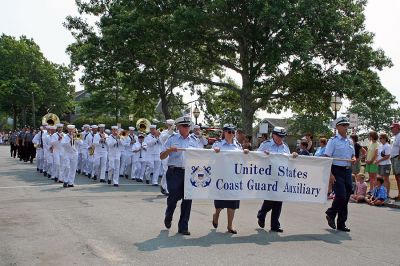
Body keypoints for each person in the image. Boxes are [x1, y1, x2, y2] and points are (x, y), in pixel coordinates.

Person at [160, 116, 199, 235]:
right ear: (178, 127)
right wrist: (169, 150)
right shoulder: (172, 139)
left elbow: (200, 156)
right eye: (184, 126)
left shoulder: (194, 140)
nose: (187, 128)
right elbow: (162, 156)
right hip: (174, 172)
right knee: (173, 197)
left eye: (188, 126)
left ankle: (183, 226)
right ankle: (169, 214)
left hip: (189, 173)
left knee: (187, 200)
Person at [257, 126, 297, 233]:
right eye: (279, 136)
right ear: (273, 135)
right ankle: (262, 214)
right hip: (269, 176)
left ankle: (275, 224)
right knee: (270, 198)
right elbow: (256, 157)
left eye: (282, 136)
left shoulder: (285, 147)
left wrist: (293, 156)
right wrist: (263, 156)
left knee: (279, 200)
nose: (280, 138)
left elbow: (288, 160)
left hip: (281, 176)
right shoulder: (266, 145)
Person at [212, 124, 249, 234]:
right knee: (220, 203)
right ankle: (216, 214)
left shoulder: (237, 145)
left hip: (234, 177)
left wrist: (245, 153)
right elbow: (209, 157)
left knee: (233, 203)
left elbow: (242, 159)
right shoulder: (217, 144)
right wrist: (215, 152)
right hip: (221, 177)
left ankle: (230, 226)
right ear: (224, 132)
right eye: (229, 132)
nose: (231, 134)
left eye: (233, 132)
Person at [324, 117, 356, 232]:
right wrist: (331, 174)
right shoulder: (333, 141)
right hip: (336, 170)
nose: (345, 127)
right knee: (341, 195)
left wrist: (354, 158)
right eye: (343, 125)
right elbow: (327, 158)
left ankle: (341, 223)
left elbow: (353, 155)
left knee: (346, 197)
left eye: (346, 125)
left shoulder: (350, 141)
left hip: (347, 170)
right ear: (337, 127)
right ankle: (330, 213)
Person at [159, 119, 176, 195]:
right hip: (165, 153)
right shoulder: (163, 133)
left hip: (173, 154)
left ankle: (163, 186)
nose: (171, 126)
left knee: (170, 171)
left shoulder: (175, 133)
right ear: (167, 125)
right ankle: (165, 188)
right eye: (169, 125)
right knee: (166, 170)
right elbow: (164, 138)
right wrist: (171, 130)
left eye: (172, 125)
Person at [390, 122, 400, 200]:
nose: (391, 129)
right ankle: (399, 194)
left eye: (392, 128)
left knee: (399, 176)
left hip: (398, 158)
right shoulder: (396, 136)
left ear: (397, 128)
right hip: (394, 158)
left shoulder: (399, 136)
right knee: (397, 177)